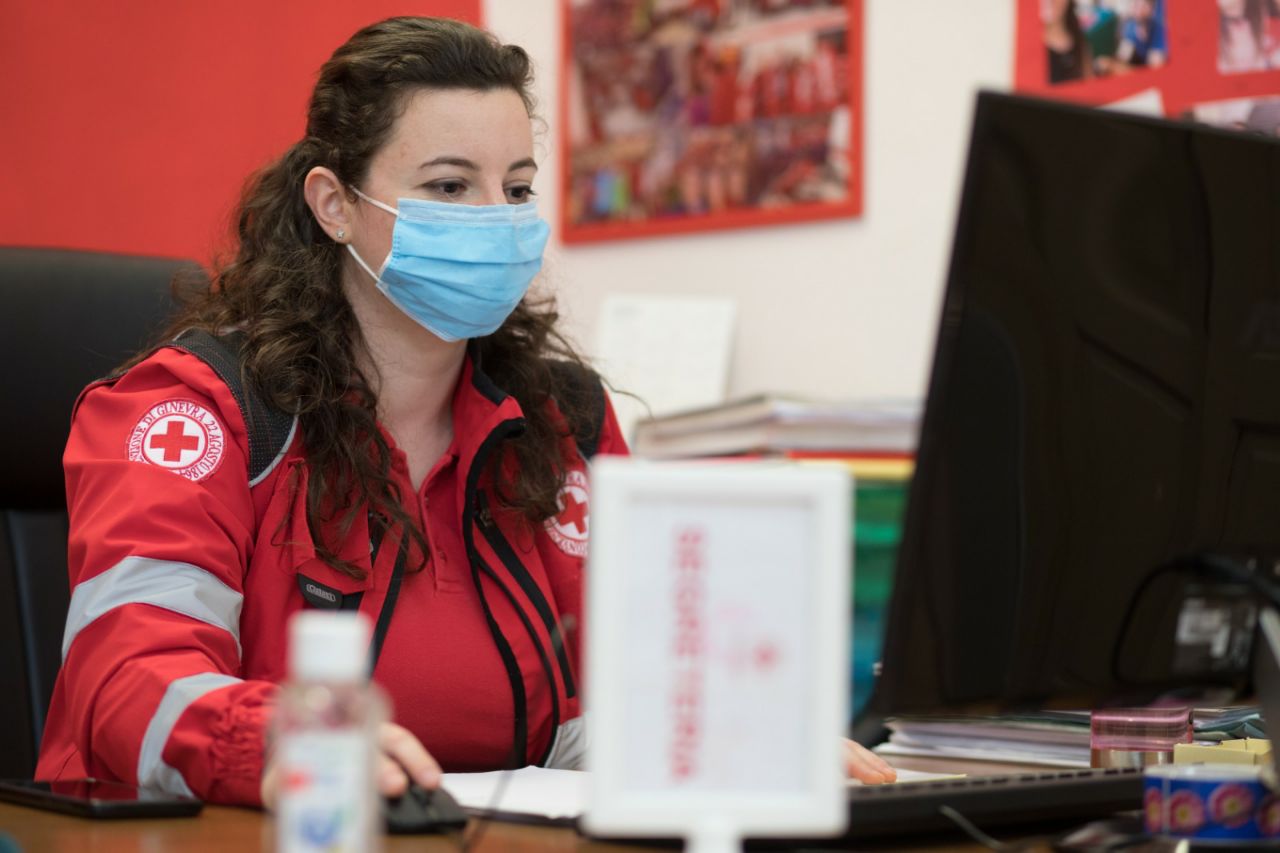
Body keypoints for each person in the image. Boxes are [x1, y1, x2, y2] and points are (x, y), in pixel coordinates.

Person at [34, 17, 895, 807]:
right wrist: (291, 745)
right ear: (334, 204)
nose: (495, 220)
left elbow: (617, 702)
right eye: (449, 186)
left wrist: (735, 743)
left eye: (516, 189)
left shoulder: (563, 422)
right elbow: (127, 682)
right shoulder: (199, 410)